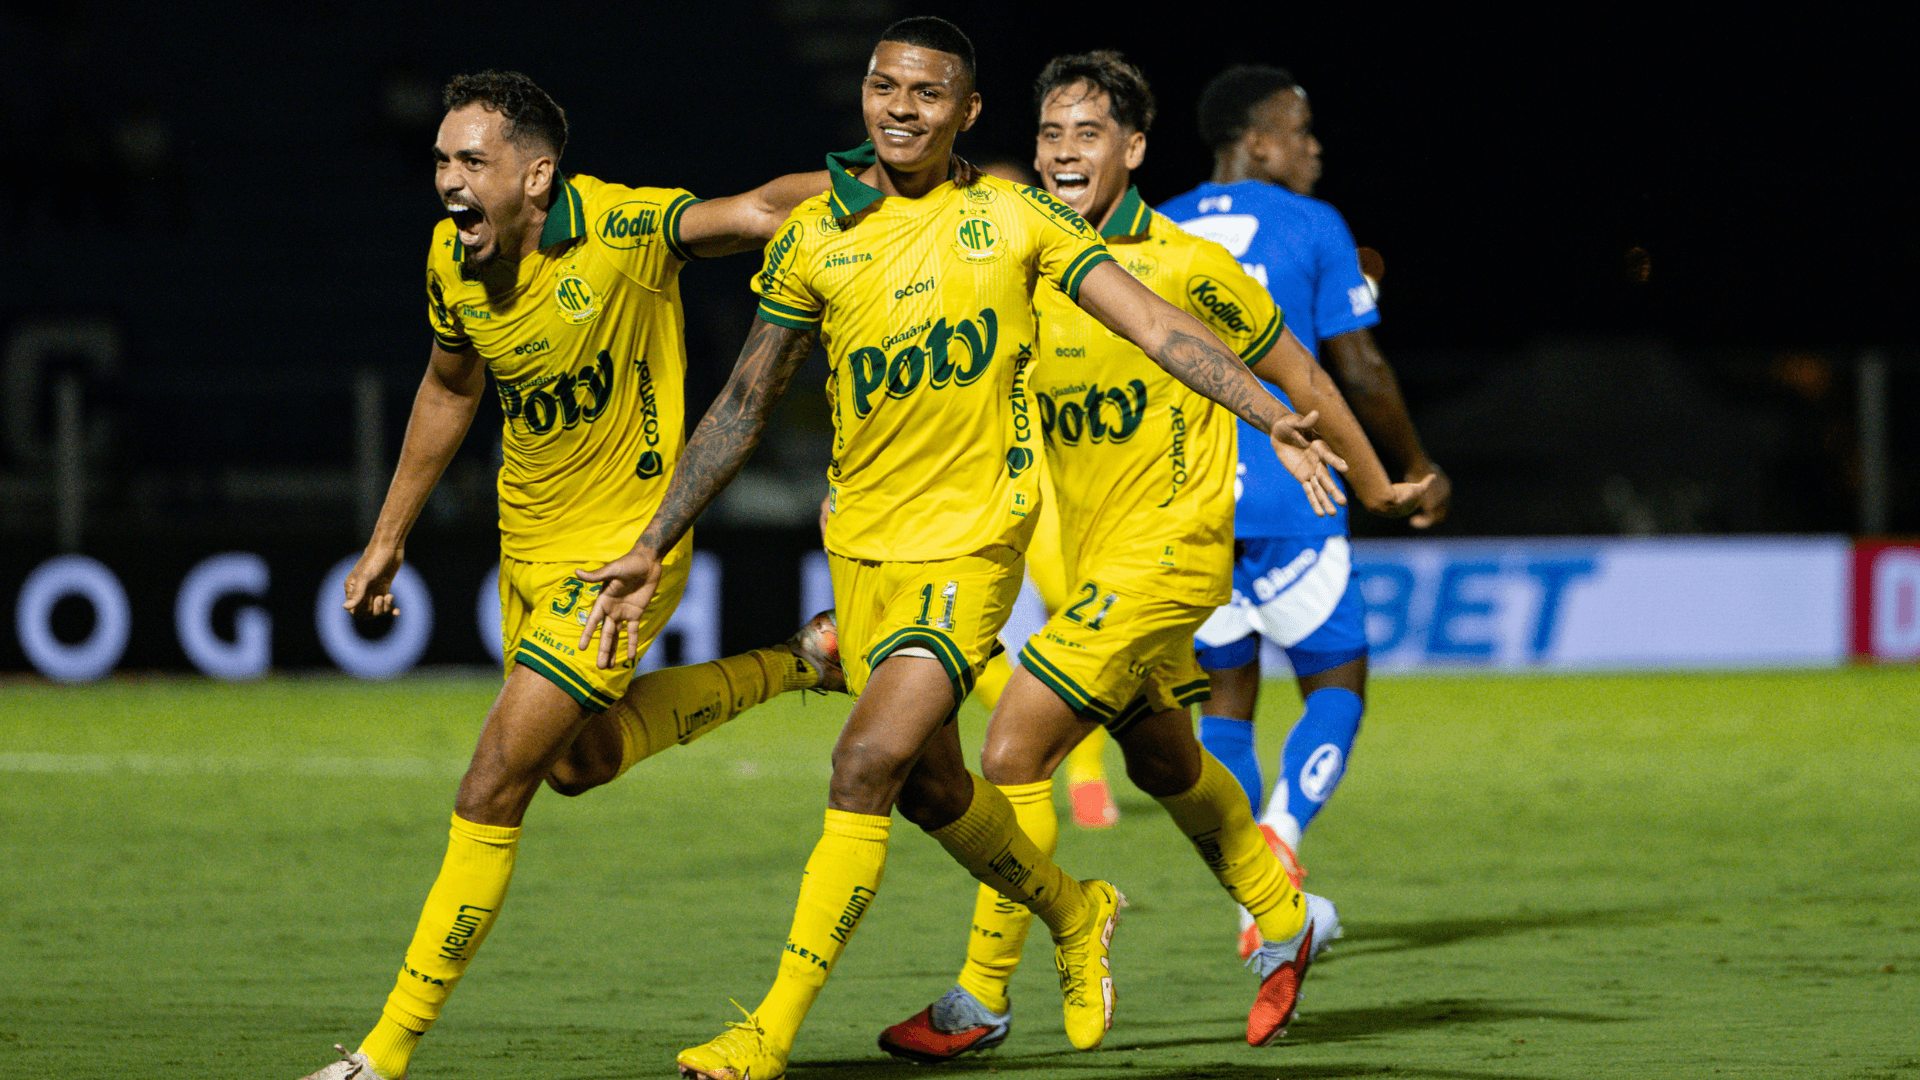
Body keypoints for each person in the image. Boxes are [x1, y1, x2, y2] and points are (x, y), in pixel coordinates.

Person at [572, 19, 1354, 1080]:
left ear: (965, 113)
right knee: (956, 789)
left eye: (927, 93)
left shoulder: (1017, 219)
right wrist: (652, 535)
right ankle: (1084, 911)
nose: (901, 108)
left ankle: (777, 1030)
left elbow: (1159, 328)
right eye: (884, 87)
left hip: (974, 551)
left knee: (876, 762)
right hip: (866, 551)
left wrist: (1269, 414)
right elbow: (742, 405)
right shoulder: (817, 236)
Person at [874, 50, 1429, 1062]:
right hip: (1088, 564)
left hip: (1170, 558)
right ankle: (1285, 917)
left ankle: (981, 997)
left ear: (1133, 148)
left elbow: (1302, 366)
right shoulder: (1022, 267)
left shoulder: (1183, 266)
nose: (1064, 152)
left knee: (1012, 751)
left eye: (1089, 133)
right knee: (1165, 756)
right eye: (1051, 134)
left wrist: (1378, 479)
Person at [298, 71, 844, 1080]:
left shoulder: (629, 233)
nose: (449, 182)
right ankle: (802, 661)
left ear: (536, 175)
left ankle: (381, 1054)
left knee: (492, 784)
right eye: (441, 161)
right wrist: (389, 533)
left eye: (472, 162)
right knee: (579, 764)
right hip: (529, 554)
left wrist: (910, 182)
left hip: (622, 559)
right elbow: (449, 387)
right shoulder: (449, 261)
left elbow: (765, 209)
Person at [1158, 65, 1452, 958]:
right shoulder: (1313, 225)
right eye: (1300, 128)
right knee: (1337, 685)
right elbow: (1356, 367)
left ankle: (1255, 896)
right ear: (1254, 142)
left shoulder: (1155, 224)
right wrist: (1410, 466)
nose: (1314, 147)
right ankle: (1282, 835)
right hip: (1298, 494)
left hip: (1188, 502)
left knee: (1227, 707)